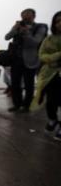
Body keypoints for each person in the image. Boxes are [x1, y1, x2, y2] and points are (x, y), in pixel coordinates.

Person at [5, 8, 48, 112]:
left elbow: (36, 42)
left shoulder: (41, 26)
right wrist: (15, 28)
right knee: (15, 84)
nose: (24, 16)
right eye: (23, 14)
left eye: (27, 14)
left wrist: (26, 32)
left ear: (33, 16)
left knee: (29, 85)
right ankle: (17, 105)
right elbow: (7, 37)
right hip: (16, 60)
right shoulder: (18, 26)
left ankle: (26, 106)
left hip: (31, 60)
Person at [31, 11, 61, 141]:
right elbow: (42, 55)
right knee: (51, 101)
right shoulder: (48, 39)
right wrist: (57, 56)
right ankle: (53, 119)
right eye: (57, 21)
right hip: (50, 75)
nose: (60, 23)